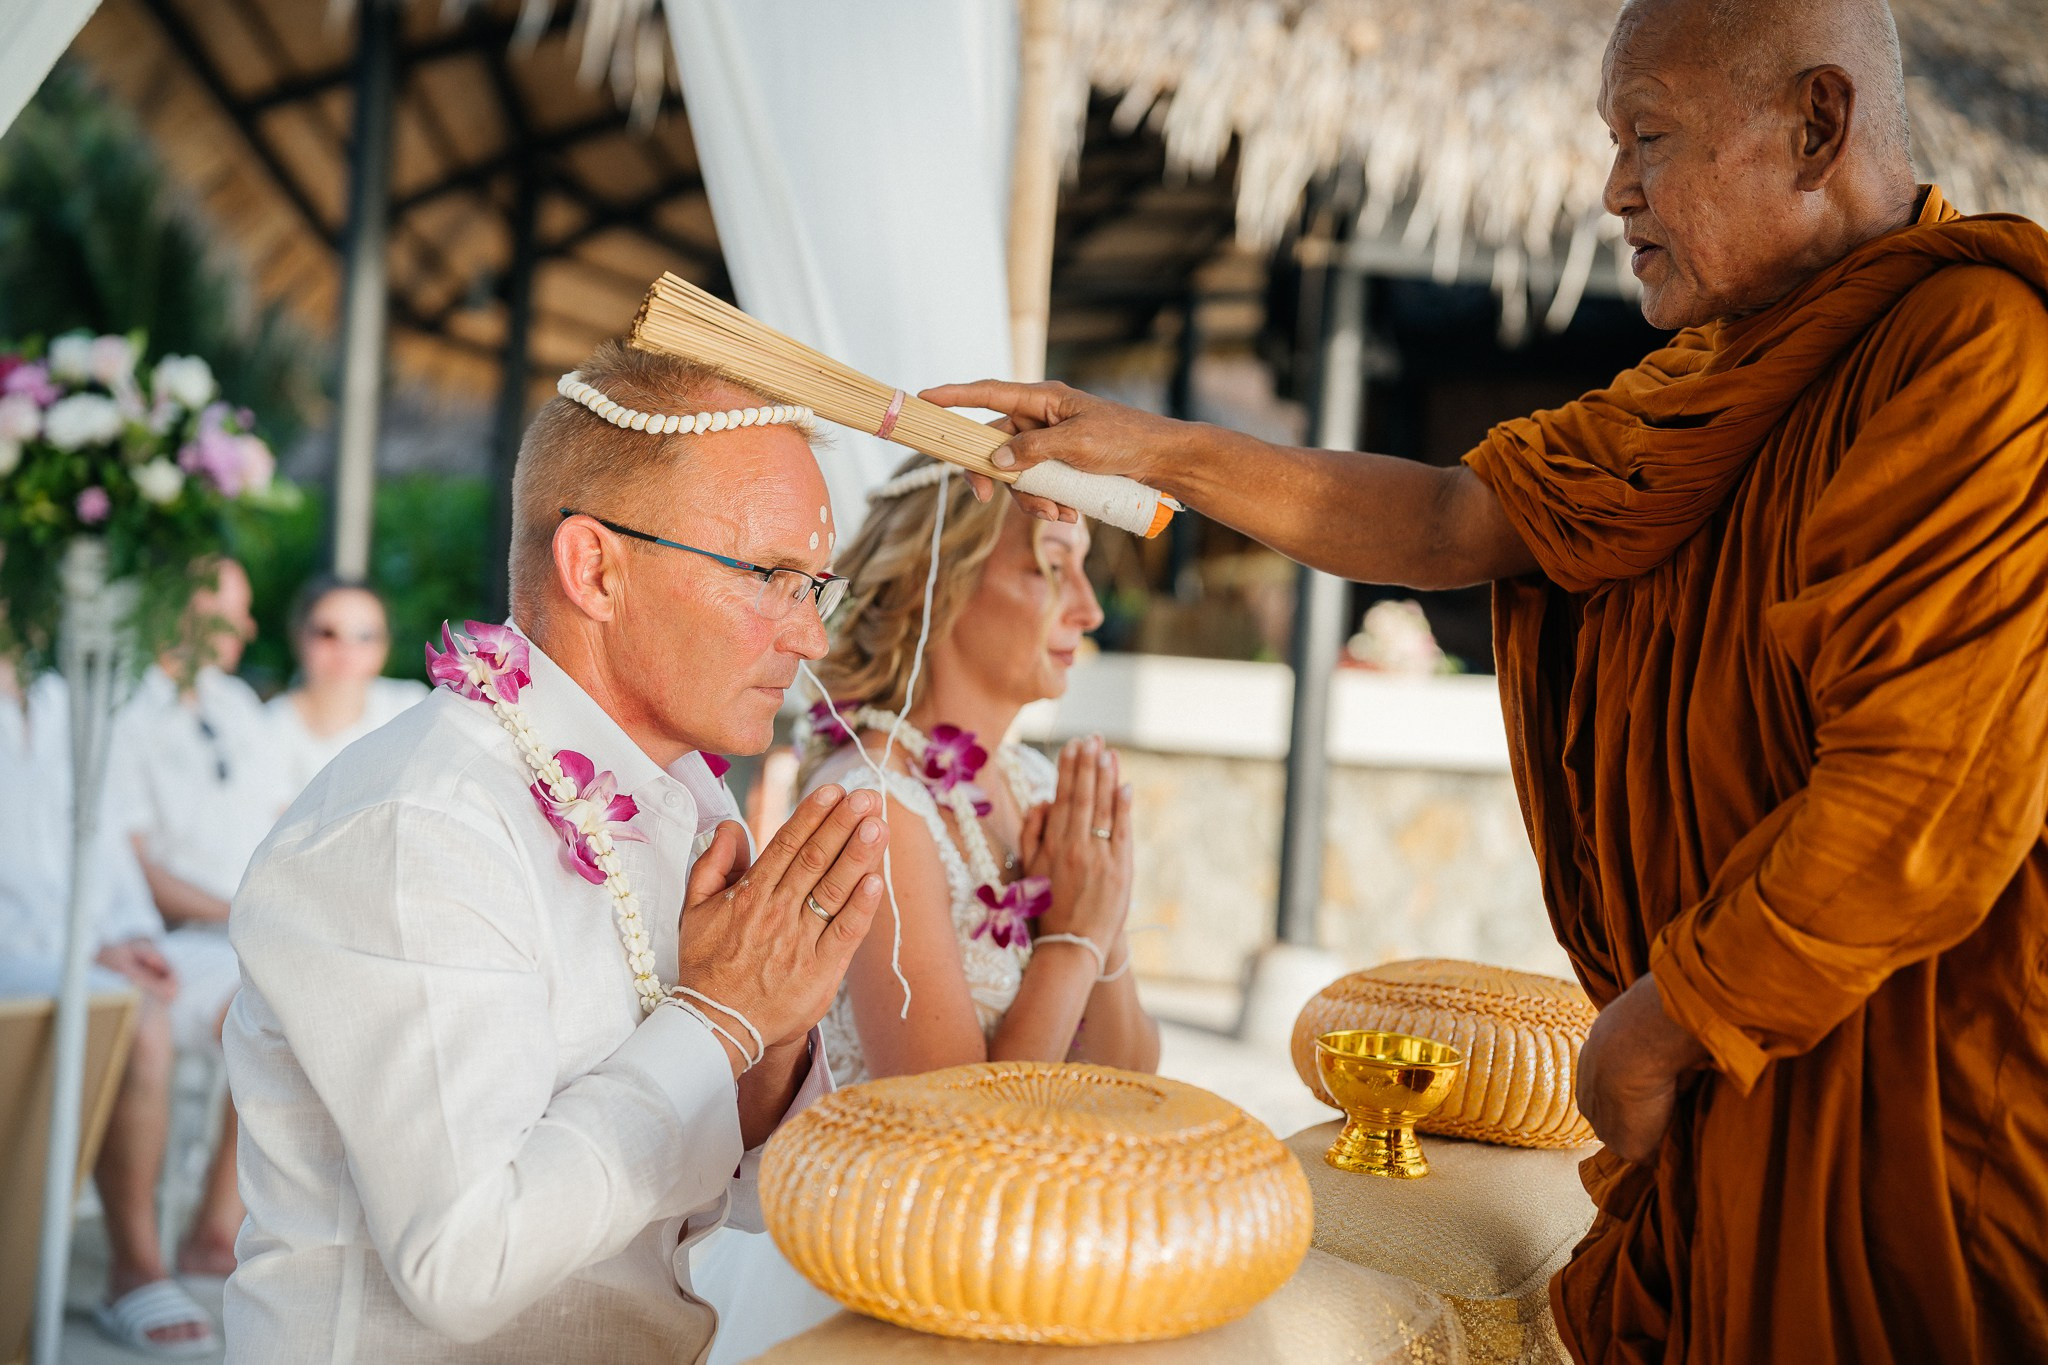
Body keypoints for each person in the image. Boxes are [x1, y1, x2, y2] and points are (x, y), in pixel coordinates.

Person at [926, 0, 2048, 1358]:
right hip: (1746, 1101)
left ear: (1817, 125)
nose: (1613, 189)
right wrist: (1150, 450)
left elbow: (1925, 795)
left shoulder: (1979, 350)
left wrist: (1665, 1022)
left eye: (1650, 136)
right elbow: (1454, 519)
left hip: (1918, 1108)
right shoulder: (1719, 374)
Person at [223, 341, 889, 1364]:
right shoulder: (421, 823)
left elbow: (742, 1197)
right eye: (771, 576)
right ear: (595, 569)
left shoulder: (689, 806)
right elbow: (466, 1261)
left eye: (815, 587)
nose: (808, 636)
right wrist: (719, 1018)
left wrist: (774, 1029)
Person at [692, 460, 1161, 1362]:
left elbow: (1133, 1073)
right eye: (1050, 566)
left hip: (1039, 1257)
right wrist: (1071, 938)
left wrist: (1104, 929)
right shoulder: (872, 802)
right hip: (893, 1279)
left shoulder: (1033, 785)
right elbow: (952, 1134)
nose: (1090, 609)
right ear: (939, 582)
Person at [0, 651, 236, 1355]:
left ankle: (215, 1231)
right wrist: (91, 949)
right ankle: (135, 1270)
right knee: (138, 1020)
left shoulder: (57, 693)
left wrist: (130, 931)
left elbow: (103, 841)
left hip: (112, 931)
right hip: (23, 949)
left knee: (283, 998)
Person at [266, 577, 427, 799]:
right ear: (298, 634)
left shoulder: (411, 708)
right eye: (327, 633)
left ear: (385, 644)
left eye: (365, 635)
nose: (346, 650)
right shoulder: (267, 728)